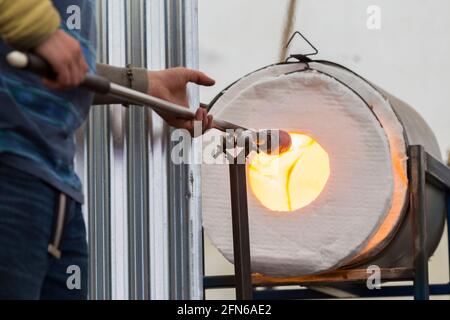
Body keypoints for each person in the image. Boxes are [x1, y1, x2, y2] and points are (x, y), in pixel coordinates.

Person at [0, 0, 214, 299]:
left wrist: (147, 86)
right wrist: (36, 25)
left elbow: (57, 73)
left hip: (59, 188)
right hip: (11, 171)